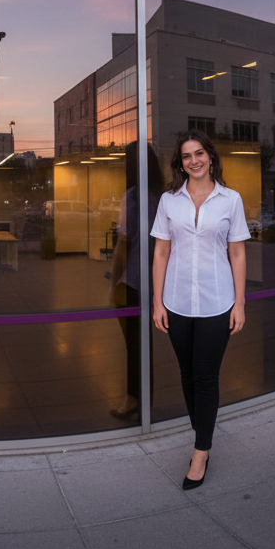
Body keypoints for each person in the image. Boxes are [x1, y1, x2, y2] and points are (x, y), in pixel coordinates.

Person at [150, 129, 249, 490]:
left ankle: (200, 451)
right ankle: (202, 430)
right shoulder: (169, 201)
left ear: (210, 156)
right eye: (187, 156)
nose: (194, 161)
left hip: (216, 302)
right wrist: (157, 301)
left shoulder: (230, 200)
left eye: (199, 153)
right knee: (187, 373)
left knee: (205, 376)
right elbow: (161, 252)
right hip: (176, 302)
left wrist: (240, 303)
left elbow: (237, 252)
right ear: (180, 163)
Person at [108, 141, 163, 421]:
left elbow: (122, 245)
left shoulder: (131, 197)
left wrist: (113, 284)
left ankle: (133, 399)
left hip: (133, 281)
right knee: (145, 342)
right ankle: (145, 401)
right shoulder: (163, 197)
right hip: (158, 282)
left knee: (134, 343)